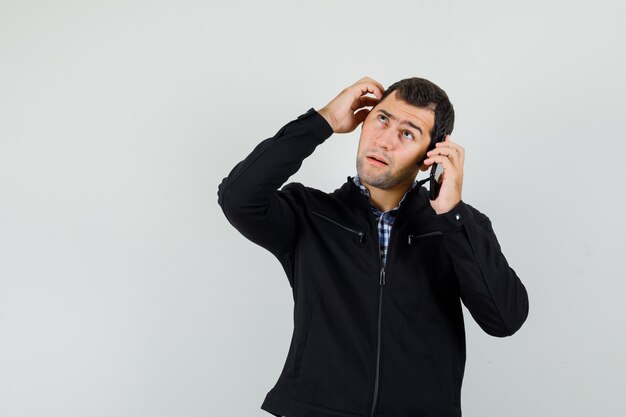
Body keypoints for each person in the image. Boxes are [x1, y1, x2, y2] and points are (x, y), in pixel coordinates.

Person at [217, 76, 529, 417]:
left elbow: (504, 319)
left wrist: (453, 216)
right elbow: (238, 198)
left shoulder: (458, 229)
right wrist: (323, 121)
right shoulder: (310, 215)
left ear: (431, 155)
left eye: (407, 133)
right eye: (382, 119)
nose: (384, 141)